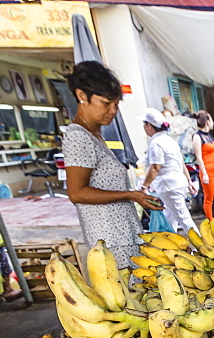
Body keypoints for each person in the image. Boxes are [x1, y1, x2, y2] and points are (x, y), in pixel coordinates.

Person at [61, 61, 161, 267]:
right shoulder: (78, 137)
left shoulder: (95, 135)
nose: (113, 110)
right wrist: (130, 195)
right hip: (110, 241)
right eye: (106, 103)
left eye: (116, 104)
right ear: (81, 96)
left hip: (122, 236)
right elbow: (77, 193)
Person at [140, 109, 196, 235]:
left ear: (149, 126)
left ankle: (202, 246)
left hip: (169, 186)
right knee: (171, 217)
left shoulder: (156, 143)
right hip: (177, 184)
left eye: (144, 125)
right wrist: (188, 181)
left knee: (183, 218)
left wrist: (144, 187)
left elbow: (155, 168)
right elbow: (181, 163)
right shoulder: (170, 141)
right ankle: (171, 243)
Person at [193, 112, 214, 218]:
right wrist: (204, 173)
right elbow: (198, 157)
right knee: (209, 199)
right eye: (211, 120)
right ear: (207, 122)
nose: (212, 123)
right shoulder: (197, 137)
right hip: (207, 171)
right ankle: (210, 221)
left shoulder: (210, 136)